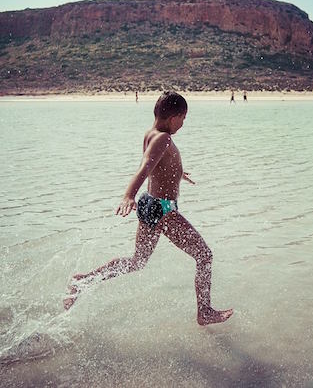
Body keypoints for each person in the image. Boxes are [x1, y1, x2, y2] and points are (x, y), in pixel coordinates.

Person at [64, 91, 233, 326]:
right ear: (174, 117)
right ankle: (204, 312)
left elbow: (156, 165)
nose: (183, 124)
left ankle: (82, 280)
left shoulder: (150, 134)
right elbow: (144, 167)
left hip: (150, 205)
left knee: (137, 261)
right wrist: (127, 195)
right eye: (183, 119)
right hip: (163, 210)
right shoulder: (162, 138)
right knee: (204, 256)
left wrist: (178, 174)